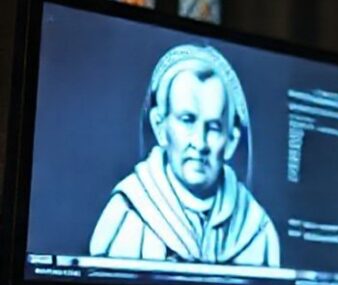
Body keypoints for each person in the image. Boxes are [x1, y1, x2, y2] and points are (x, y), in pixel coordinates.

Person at [90, 44, 280, 267]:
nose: (199, 143)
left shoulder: (256, 228)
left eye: (214, 127)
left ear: (231, 141)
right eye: (187, 120)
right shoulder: (127, 213)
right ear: (160, 127)